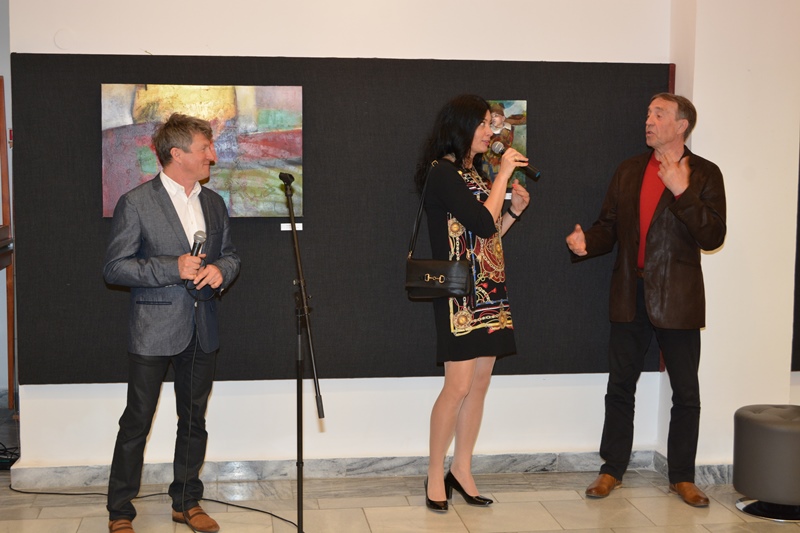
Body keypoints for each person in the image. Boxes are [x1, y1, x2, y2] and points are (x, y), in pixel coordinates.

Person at [566, 93, 726, 507]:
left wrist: (682, 192)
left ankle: (683, 477)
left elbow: (713, 236)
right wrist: (587, 243)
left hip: (678, 295)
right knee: (620, 385)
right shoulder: (629, 170)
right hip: (629, 292)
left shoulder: (705, 174)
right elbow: (608, 227)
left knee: (686, 392)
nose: (649, 121)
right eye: (648, 114)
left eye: (659, 114)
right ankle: (611, 470)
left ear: (682, 125)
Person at [104, 113, 241, 533]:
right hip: (153, 329)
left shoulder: (213, 203)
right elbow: (115, 267)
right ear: (177, 154)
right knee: (137, 421)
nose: (212, 156)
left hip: (203, 327)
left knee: (194, 420)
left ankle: (186, 501)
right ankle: (120, 511)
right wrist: (172, 267)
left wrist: (220, 271)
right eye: (204, 149)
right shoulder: (136, 203)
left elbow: (231, 256)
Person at [414, 94, 531, 512]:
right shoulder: (441, 173)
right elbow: (481, 222)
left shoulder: (474, 173)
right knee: (458, 385)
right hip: (459, 293)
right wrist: (503, 176)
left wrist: (513, 212)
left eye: (491, 124)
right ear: (461, 126)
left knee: (479, 384)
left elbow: (488, 235)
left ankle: (461, 469)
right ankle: (434, 473)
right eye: (482, 123)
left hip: (491, 288)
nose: (490, 131)